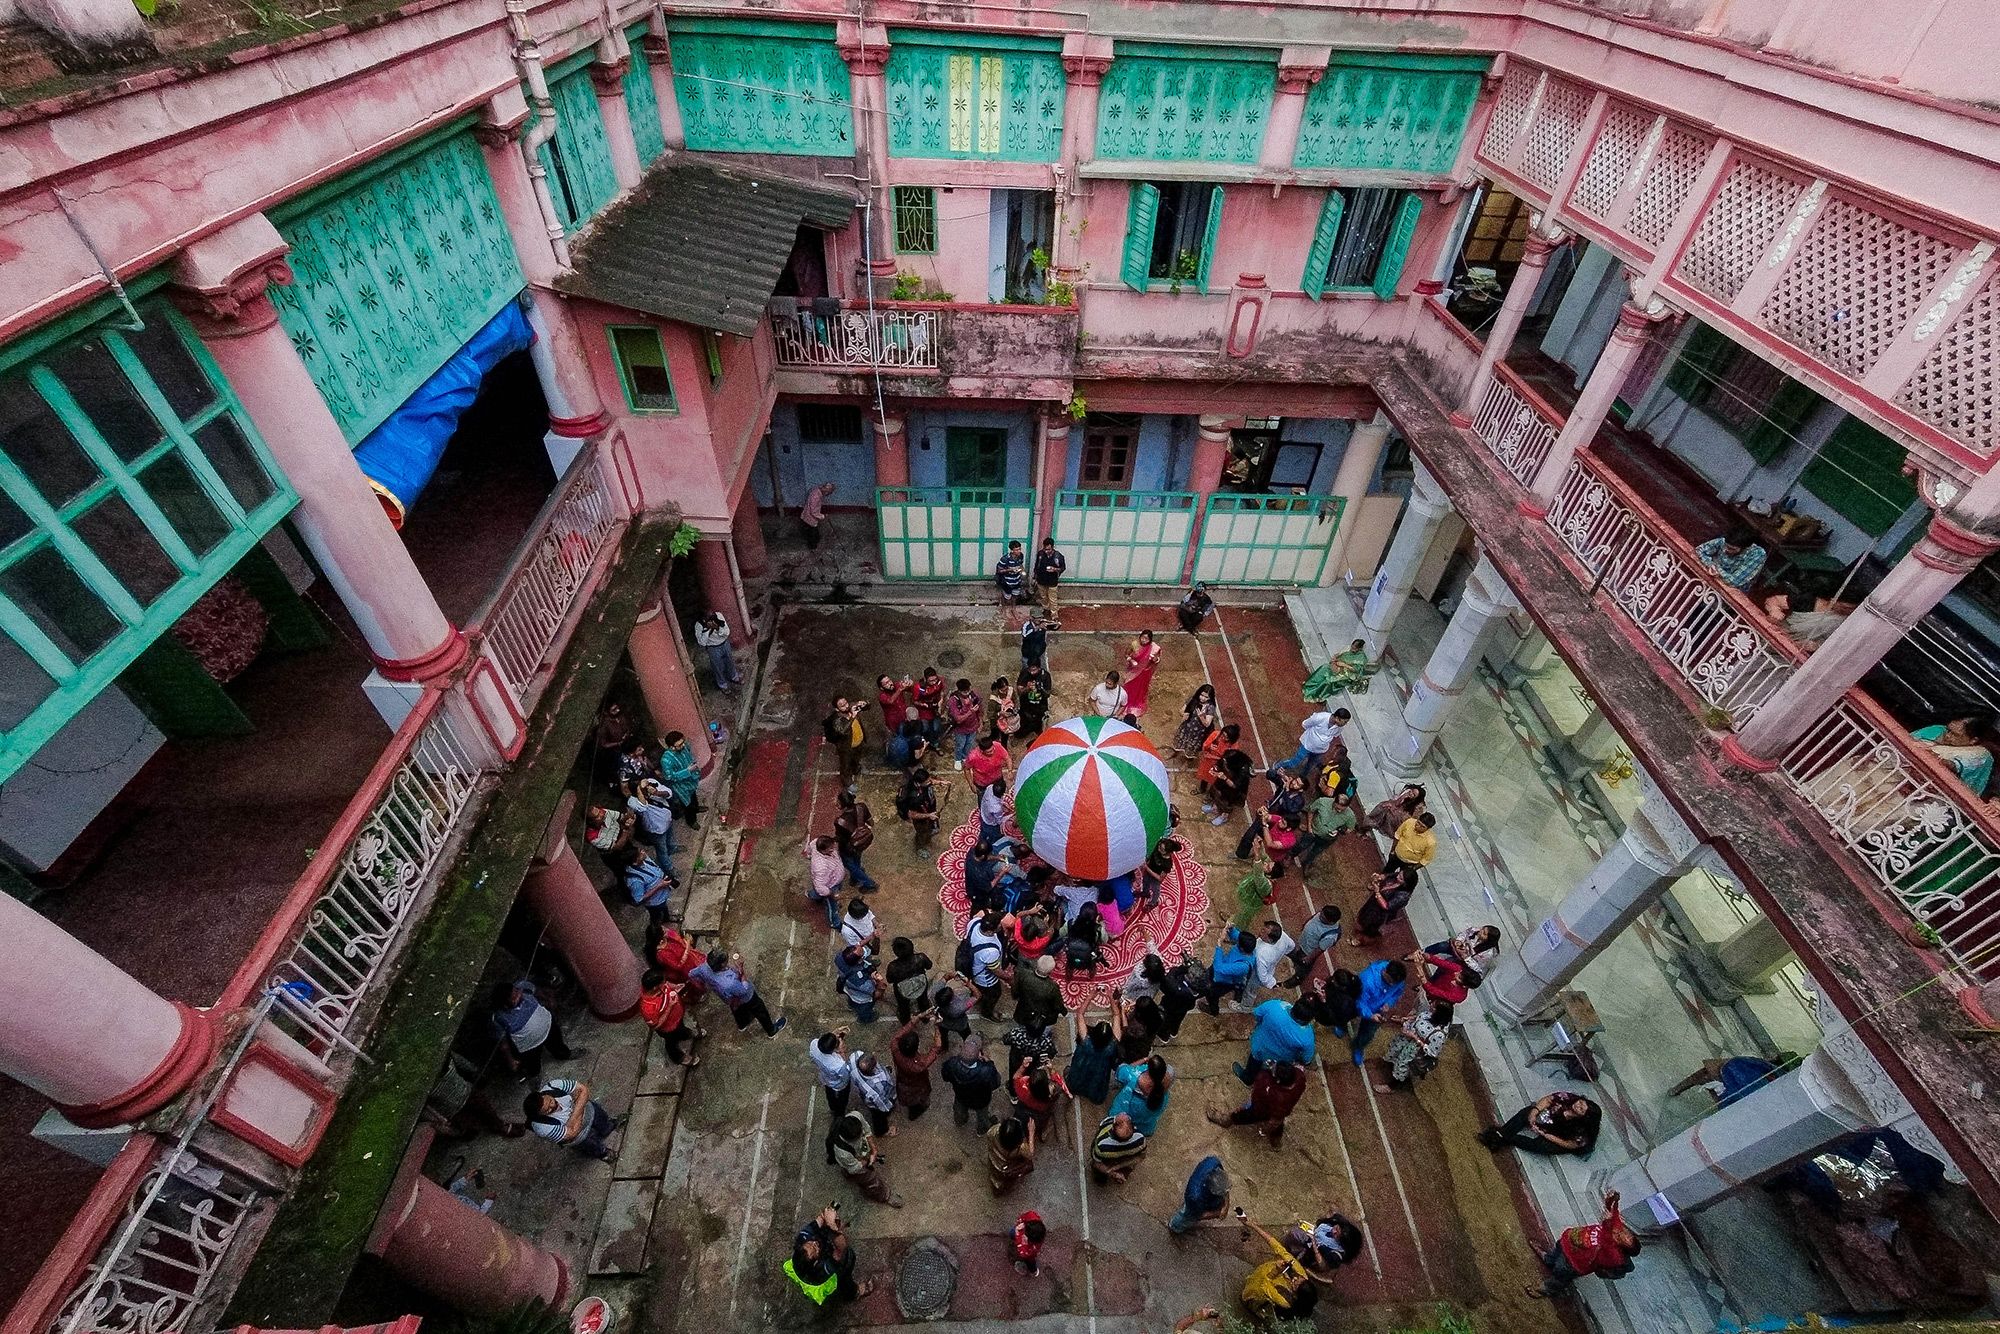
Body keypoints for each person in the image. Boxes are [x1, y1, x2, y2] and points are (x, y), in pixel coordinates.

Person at [1532, 1191, 1639, 1299]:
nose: (1627, 1234)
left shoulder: (1615, 1256)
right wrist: (1614, 1200)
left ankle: (1546, 1289)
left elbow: (1606, 1240)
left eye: (1628, 1240)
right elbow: (1613, 1212)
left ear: (1624, 1248)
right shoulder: (1618, 1230)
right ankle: (1548, 1260)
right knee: (1556, 1253)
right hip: (1568, 1242)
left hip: (1574, 1262)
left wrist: (1607, 1221)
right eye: (1630, 1236)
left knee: (1561, 1275)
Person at [1237, 1215, 1319, 1324]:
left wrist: (1277, 1270)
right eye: (1299, 1278)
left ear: (1295, 1295)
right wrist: (1253, 1225)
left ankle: (1251, 1306)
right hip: (1263, 1273)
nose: (1294, 1278)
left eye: (1295, 1283)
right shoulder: (1300, 1274)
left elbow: (1264, 1284)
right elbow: (1279, 1249)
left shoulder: (1285, 1301)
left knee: (1248, 1295)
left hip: (1258, 1288)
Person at [1207, 1060, 1306, 1149]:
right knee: (1278, 1123)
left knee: (1245, 1115)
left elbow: (1257, 1098)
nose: (1272, 1066)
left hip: (1263, 1109)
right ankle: (1276, 1142)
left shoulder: (1269, 1089)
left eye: (1274, 1070)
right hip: (1282, 1111)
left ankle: (1226, 1120)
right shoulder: (1300, 1078)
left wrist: (1245, 1107)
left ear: (1278, 1081)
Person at [785, 1205, 870, 1306]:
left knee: (823, 1231)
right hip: (819, 1278)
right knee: (846, 1265)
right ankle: (854, 1292)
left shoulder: (802, 1239)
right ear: (816, 1261)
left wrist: (827, 1212)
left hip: (804, 1268)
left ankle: (834, 1230)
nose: (814, 1243)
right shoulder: (822, 1269)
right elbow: (841, 1250)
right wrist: (832, 1226)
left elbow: (818, 1221)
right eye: (815, 1249)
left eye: (810, 1243)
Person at [490, 979, 576, 1078]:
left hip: (549, 1026)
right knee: (532, 1064)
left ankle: (565, 1054)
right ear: (505, 1005)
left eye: (517, 991)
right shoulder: (498, 1018)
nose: (520, 995)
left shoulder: (524, 987)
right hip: (529, 1046)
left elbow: (539, 992)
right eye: (515, 997)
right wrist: (511, 1061)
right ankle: (534, 1076)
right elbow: (503, 1044)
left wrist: (549, 1001)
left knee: (557, 1044)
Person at [691, 949, 786, 1036]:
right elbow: (744, 989)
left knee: (737, 1010)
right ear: (722, 965)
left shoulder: (704, 968)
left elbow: (691, 974)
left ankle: (743, 1025)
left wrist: (704, 982)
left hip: (729, 999)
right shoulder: (730, 983)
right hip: (746, 997)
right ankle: (771, 1030)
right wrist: (741, 970)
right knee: (760, 1010)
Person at [523, 1077, 622, 1159]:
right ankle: (603, 1153)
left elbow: (584, 1090)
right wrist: (579, 1103)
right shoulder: (541, 1127)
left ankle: (607, 1127)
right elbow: (572, 1133)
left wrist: (573, 1118)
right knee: (588, 1143)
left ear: (544, 1095)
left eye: (550, 1101)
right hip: (579, 1135)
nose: (552, 1106)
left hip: (583, 1114)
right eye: (547, 1110)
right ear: (539, 1114)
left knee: (599, 1115)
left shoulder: (552, 1086)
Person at [1481, 1090, 1602, 1156]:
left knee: (1540, 1146)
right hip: (1549, 1120)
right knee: (1527, 1112)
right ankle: (1500, 1135)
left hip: (1560, 1137)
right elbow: (1548, 1099)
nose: (1578, 1106)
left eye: (1581, 1109)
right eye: (1581, 1103)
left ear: (1584, 1116)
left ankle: (1503, 1137)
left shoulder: (1583, 1132)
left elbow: (1570, 1144)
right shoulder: (1569, 1098)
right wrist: (1535, 1111)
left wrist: (1548, 1136)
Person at [1379, 999, 1454, 1092]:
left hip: (1413, 1050)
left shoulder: (1439, 1034)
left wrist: (1415, 1037)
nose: (1430, 1005)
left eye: (1433, 1006)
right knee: (1395, 1052)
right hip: (1405, 1040)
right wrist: (1406, 1022)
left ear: (1438, 1013)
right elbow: (1417, 1019)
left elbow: (1432, 1052)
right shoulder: (1429, 1014)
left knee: (1402, 1065)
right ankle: (1391, 1065)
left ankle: (1392, 1086)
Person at [831, 1110, 902, 1206]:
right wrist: (867, 1162)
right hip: (852, 1162)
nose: (861, 1135)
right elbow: (855, 1168)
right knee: (870, 1179)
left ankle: (846, 1171)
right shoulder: (842, 1152)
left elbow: (867, 1131)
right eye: (858, 1137)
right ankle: (885, 1195)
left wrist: (874, 1149)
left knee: (847, 1168)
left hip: (853, 1156)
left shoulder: (856, 1116)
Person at [1913, 714, 1996, 795]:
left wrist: (1933, 756)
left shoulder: (1981, 754)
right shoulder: (1938, 730)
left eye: (1955, 735)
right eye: (1949, 730)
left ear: (1973, 740)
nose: (1948, 736)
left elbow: (1952, 765)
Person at [1350, 958, 1407, 1067]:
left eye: (1393, 983)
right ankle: (1342, 1025)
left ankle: (1358, 1046)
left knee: (1369, 1034)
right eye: (1390, 982)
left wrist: (1388, 1003)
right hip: (1362, 1005)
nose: (1391, 985)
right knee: (1348, 1013)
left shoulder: (1397, 980)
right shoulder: (1367, 980)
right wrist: (1370, 1015)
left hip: (1378, 1010)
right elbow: (1360, 1002)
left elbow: (1397, 993)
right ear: (1384, 971)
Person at [638, 967, 700, 1067]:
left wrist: (675, 986)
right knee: (671, 1043)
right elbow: (655, 1026)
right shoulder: (648, 1008)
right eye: (663, 982)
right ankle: (679, 1057)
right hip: (668, 1028)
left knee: (681, 1029)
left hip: (677, 1019)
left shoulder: (658, 986)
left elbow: (666, 985)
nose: (665, 983)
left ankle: (686, 1034)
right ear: (655, 987)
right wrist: (670, 1006)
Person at [942, 1033, 1003, 1131]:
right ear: (979, 1054)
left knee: (959, 1109)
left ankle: (960, 1121)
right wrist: (989, 1062)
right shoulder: (986, 1070)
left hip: (960, 1096)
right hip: (980, 1101)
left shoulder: (951, 1063)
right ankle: (982, 1129)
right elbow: (996, 1083)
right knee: (982, 1115)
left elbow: (945, 1077)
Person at [1244, 997, 1317, 1077]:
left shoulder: (1275, 1006)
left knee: (1254, 1062)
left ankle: (1248, 1078)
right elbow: (1306, 1059)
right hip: (1280, 1062)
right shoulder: (1308, 1037)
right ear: (1310, 1018)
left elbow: (1257, 1013)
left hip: (1259, 1047)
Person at [1762, 587, 1855, 650]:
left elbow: (1827, 645)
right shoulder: (1810, 601)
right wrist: (1775, 610)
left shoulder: (1845, 624)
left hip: (1787, 655)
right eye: (1845, 605)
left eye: (1851, 608)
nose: (1846, 608)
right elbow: (1773, 600)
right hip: (1769, 636)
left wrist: (1813, 646)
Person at [891, 1011, 944, 1120]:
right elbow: (937, 1047)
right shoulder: (918, 1065)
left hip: (902, 1081)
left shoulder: (895, 1046)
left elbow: (904, 1029)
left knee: (911, 1100)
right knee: (917, 1099)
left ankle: (913, 1111)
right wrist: (937, 1026)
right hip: (916, 1085)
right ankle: (914, 1113)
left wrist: (919, 1017)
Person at [1108, 1054, 1172, 1136]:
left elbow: (1122, 1070)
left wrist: (1144, 1059)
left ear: (1149, 1069)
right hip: (1146, 1120)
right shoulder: (1164, 1087)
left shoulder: (1134, 1076)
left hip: (1130, 1105)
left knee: (1119, 1115)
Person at [1296, 790, 1357, 873]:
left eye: (1342, 810)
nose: (1339, 811)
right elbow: (1311, 812)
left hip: (1327, 839)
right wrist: (1309, 828)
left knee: (1316, 851)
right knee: (1302, 845)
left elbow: (1350, 829)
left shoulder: (1350, 815)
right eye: (1337, 808)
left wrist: (1342, 831)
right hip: (1313, 831)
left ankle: (1307, 863)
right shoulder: (1322, 802)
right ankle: (1291, 855)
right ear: (1334, 800)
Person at [1067, 1011, 1120, 1103]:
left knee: (1077, 1077)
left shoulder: (1085, 1041)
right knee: (1096, 1082)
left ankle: (1075, 1088)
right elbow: (1116, 1015)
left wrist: (1090, 996)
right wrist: (1112, 1000)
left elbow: (1080, 1013)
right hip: (1099, 1072)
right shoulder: (1111, 1047)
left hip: (1082, 1068)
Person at [964, 909, 1008, 1018]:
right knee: (994, 994)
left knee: (976, 987)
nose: (1000, 925)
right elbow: (996, 970)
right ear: (990, 931)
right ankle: (987, 1013)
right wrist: (1008, 978)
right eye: (998, 924)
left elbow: (976, 915)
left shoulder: (974, 923)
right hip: (985, 979)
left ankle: (975, 995)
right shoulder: (990, 951)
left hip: (972, 967)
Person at [1355, 865, 1416, 944]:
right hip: (1374, 904)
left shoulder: (1403, 896)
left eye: (1401, 878)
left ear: (1406, 883)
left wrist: (1377, 892)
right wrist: (1380, 877)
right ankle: (1362, 928)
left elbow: (1387, 906)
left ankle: (1363, 940)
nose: (1397, 877)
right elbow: (1390, 875)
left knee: (1371, 926)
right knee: (1364, 916)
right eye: (1399, 874)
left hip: (1380, 914)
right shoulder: (1398, 876)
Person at [1170, 1155, 1231, 1234]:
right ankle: (1175, 1227)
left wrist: (1226, 1204)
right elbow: (1200, 1215)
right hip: (1194, 1203)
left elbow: (1225, 1190)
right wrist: (1218, 1213)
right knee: (1188, 1216)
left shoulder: (1214, 1162)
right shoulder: (1195, 1197)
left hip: (1202, 1196)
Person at [626, 776, 678, 868]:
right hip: (656, 829)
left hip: (667, 819)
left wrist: (657, 793)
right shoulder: (632, 801)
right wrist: (641, 789)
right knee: (662, 850)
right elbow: (643, 807)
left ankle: (672, 848)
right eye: (644, 787)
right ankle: (669, 868)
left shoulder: (650, 782)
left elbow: (669, 793)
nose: (648, 787)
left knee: (670, 838)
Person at [832, 789, 879, 891]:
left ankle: (869, 883)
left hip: (848, 847)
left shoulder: (840, 822)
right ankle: (855, 878)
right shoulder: (861, 807)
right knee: (856, 858)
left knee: (849, 865)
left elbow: (841, 838)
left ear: (841, 804)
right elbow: (871, 823)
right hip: (861, 843)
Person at [1286, 904, 1342, 988]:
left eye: (1323, 918)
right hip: (1303, 943)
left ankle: (1298, 979)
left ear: (1331, 921)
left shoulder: (1330, 936)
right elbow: (1313, 917)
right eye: (1321, 914)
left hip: (1308, 951)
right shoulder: (1322, 914)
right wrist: (1305, 924)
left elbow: (1320, 949)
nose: (1320, 916)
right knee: (1298, 955)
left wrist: (1308, 958)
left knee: (1304, 967)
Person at [1203, 927, 1256, 1013]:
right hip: (1223, 967)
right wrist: (1231, 929)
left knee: (1212, 994)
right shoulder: (1247, 946)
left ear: (1241, 948)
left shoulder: (1242, 966)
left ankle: (1213, 1010)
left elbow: (1219, 969)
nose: (1236, 941)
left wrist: (1219, 946)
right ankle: (1238, 991)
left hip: (1224, 981)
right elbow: (1237, 936)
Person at [1281, 707, 1347, 776]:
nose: (1345, 724)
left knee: (1309, 766)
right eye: (1345, 721)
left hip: (1320, 750)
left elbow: (1334, 735)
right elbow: (1305, 724)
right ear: (1337, 718)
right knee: (1294, 762)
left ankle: (1301, 778)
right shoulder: (1320, 717)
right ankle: (1279, 766)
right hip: (1307, 745)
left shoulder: (1340, 728)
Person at [1695, 526, 1767, 590]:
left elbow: (1734, 581)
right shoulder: (1724, 540)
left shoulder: (1757, 554)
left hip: (1732, 591)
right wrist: (1710, 564)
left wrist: (1716, 569)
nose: (1726, 549)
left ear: (1745, 548)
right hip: (1709, 581)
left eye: (1731, 549)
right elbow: (1699, 550)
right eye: (1726, 546)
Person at [822, 695, 868, 792]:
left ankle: (856, 768)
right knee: (845, 765)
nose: (846, 706)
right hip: (846, 747)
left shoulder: (851, 707)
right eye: (842, 705)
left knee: (857, 758)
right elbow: (842, 731)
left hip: (858, 742)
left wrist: (864, 703)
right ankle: (848, 782)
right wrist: (852, 718)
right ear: (837, 709)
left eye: (846, 703)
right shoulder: (837, 720)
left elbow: (868, 706)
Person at [1303, 638, 1372, 702]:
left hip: (1348, 673)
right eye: (1352, 646)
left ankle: (1316, 695)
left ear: (1360, 649)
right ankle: (1309, 686)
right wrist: (1334, 658)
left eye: (1354, 648)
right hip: (1337, 665)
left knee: (1329, 680)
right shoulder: (1348, 648)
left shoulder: (1362, 658)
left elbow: (1356, 670)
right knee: (1324, 668)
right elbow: (1338, 654)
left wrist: (1344, 665)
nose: (1352, 649)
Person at [1012, 952, 1067, 1031]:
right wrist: (1063, 1011)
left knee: (1022, 1027)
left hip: (1023, 1011)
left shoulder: (1023, 974)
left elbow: (1015, 989)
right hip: (1042, 1018)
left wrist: (1016, 996)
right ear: (1050, 971)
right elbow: (1057, 1004)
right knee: (1042, 1032)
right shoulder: (1052, 987)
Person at [850, 1048, 898, 1137]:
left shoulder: (855, 1057)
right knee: (879, 1117)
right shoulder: (877, 1088)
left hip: (864, 1095)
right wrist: (890, 1105)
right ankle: (882, 1131)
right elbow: (883, 1106)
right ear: (873, 1068)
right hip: (876, 1104)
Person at [658, 731, 702, 827]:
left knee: (694, 796)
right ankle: (692, 821)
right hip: (681, 786)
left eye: (683, 742)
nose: (683, 746)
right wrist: (687, 770)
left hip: (691, 780)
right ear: (671, 747)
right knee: (687, 804)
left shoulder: (684, 747)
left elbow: (689, 754)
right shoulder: (666, 760)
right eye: (679, 745)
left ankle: (697, 808)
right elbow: (669, 776)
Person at [885, 937, 934, 1023]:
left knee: (903, 1006)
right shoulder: (920, 958)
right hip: (920, 984)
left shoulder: (893, 967)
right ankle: (925, 1018)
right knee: (923, 1001)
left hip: (903, 990)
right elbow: (929, 966)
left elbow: (890, 980)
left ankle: (906, 1022)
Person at [986, 1113, 1038, 1193]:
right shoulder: (1021, 1148)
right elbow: (1030, 1154)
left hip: (994, 1160)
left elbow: (989, 1134)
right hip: (1007, 1167)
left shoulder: (994, 1131)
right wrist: (1031, 1133)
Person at [1090, 1112, 1149, 1183]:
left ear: (1112, 1129)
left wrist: (1113, 1173)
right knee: (1124, 1174)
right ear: (1133, 1128)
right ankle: (1120, 1179)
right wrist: (1119, 1166)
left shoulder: (1101, 1146)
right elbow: (1141, 1157)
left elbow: (1097, 1163)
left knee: (1098, 1173)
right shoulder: (1141, 1140)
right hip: (1125, 1162)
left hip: (1107, 1162)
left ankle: (1101, 1181)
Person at [1208, 737, 1255, 827]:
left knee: (1227, 801)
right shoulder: (1228, 756)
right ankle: (1215, 807)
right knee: (1217, 792)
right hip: (1222, 782)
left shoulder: (1242, 771)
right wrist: (1216, 769)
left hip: (1233, 790)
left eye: (1226, 762)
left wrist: (1225, 778)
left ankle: (1224, 816)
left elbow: (1235, 786)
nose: (1224, 761)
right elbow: (1220, 763)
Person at [835, 942, 884, 1024]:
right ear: (860, 960)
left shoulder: (839, 957)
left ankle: (851, 1005)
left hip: (847, 987)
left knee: (851, 998)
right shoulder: (863, 983)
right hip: (861, 998)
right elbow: (876, 994)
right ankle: (864, 1019)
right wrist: (880, 981)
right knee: (864, 1009)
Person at [694, 612, 742, 692]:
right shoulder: (699, 625)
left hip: (725, 643)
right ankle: (723, 685)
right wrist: (708, 630)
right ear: (704, 619)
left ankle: (734, 676)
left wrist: (717, 627)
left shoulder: (719, 616)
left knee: (729, 661)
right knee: (717, 667)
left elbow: (727, 633)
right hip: (713, 648)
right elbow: (702, 643)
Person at [805, 835, 844, 928]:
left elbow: (811, 846)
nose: (833, 849)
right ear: (823, 850)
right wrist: (832, 894)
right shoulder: (820, 867)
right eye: (830, 848)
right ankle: (834, 923)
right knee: (832, 905)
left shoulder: (816, 843)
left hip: (835, 880)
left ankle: (811, 894)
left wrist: (809, 854)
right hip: (830, 886)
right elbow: (820, 887)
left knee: (817, 893)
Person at [1249, 919, 1296, 995]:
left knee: (1250, 991)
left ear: (1270, 939)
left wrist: (1271, 983)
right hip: (1269, 968)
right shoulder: (1282, 936)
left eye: (1264, 932)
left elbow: (1263, 978)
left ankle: (1245, 1006)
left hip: (1255, 973)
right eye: (1263, 929)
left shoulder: (1261, 954)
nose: (1261, 931)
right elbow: (1292, 945)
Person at [1123, 629, 1163, 717]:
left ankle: (1136, 704)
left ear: (1150, 640)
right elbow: (1126, 654)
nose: (1144, 640)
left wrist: (1155, 659)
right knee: (1129, 686)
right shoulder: (1134, 644)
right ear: (1140, 637)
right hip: (1133, 671)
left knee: (1141, 689)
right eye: (1143, 638)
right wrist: (1131, 660)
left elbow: (1157, 660)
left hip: (1144, 673)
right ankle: (1126, 703)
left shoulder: (1154, 648)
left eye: (1146, 639)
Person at [1173, 684, 1219, 760]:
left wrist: (1201, 717)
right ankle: (1177, 752)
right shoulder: (1193, 699)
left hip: (1198, 733)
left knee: (1191, 747)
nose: (1203, 698)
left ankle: (1188, 759)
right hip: (1186, 727)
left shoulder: (1210, 707)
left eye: (1206, 697)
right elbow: (1182, 710)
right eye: (1202, 695)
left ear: (1210, 697)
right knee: (1181, 741)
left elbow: (1207, 724)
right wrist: (1184, 714)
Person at [945, 678, 983, 768]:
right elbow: (958, 719)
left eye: (968, 691)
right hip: (960, 729)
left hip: (972, 726)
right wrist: (970, 712)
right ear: (959, 690)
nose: (967, 693)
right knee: (960, 745)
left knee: (969, 744)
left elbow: (980, 710)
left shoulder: (974, 696)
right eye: (964, 692)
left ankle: (965, 757)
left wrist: (980, 722)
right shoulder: (953, 701)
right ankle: (958, 759)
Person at [1386, 810, 1438, 875]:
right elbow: (1397, 835)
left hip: (1409, 864)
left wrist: (1413, 869)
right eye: (1418, 823)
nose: (1418, 826)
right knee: (1386, 872)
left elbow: (1426, 859)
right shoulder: (1409, 822)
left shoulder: (1430, 842)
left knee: (1400, 881)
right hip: (1396, 856)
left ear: (1428, 829)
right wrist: (1392, 851)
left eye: (1422, 827)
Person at [1197, 722, 1237, 796]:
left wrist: (1214, 757)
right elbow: (1205, 746)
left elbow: (1227, 759)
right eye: (1223, 735)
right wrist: (1209, 747)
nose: (1223, 738)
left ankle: (1210, 796)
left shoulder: (1233, 746)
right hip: (1208, 763)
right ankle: (1202, 789)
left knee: (1216, 781)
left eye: (1227, 737)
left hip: (1220, 766)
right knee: (1205, 776)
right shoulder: (1216, 735)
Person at [1231, 864, 1274, 932]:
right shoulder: (1263, 878)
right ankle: (1234, 923)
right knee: (1240, 915)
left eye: (1268, 867)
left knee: (1242, 920)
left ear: (1270, 875)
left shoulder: (1263, 883)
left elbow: (1257, 869)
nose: (1265, 864)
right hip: (1248, 900)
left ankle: (1235, 934)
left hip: (1250, 903)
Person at [968, 728, 1011, 793]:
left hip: (998, 779)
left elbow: (1007, 758)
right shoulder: (973, 757)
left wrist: (1010, 770)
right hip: (982, 784)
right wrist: (971, 784)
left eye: (993, 749)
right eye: (989, 752)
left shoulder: (997, 746)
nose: (992, 752)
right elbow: (966, 769)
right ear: (982, 751)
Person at [1017, 661, 1053, 734]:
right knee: (1020, 731)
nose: (1032, 672)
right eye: (1030, 670)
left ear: (1039, 668)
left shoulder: (1045, 675)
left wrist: (1040, 688)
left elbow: (1047, 694)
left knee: (1038, 725)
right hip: (1026, 705)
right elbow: (1019, 691)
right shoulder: (1025, 673)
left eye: (1034, 670)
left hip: (1039, 706)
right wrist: (1027, 688)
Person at [1033, 538, 1067, 614]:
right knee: (1043, 597)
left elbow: (1063, 568)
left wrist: (1055, 569)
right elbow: (1036, 565)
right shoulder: (1040, 554)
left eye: (1048, 549)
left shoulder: (1058, 556)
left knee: (1053, 599)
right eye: (1045, 549)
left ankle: (1054, 614)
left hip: (1052, 581)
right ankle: (1046, 609)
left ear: (1052, 547)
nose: (1046, 551)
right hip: (1041, 580)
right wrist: (1035, 576)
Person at [798, 479, 835, 550]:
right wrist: (822, 516)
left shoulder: (817, 490)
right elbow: (813, 512)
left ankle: (816, 539)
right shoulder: (816, 497)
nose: (827, 495)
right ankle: (812, 546)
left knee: (813, 529)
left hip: (808, 514)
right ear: (826, 491)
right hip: (810, 516)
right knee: (812, 531)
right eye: (828, 493)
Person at [912, 666, 946, 741]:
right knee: (925, 729)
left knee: (936, 728)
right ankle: (926, 741)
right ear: (925, 679)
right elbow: (914, 701)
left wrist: (941, 701)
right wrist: (923, 704)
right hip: (924, 711)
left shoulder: (939, 681)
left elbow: (942, 691)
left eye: (935, 679)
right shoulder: (919, 688)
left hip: (935, 709)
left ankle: (935, 741)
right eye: (931, 681)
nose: (934, 682)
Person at [1012, 1212, 1049, 1277]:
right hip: (1020, 1230)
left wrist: (1017, 1233)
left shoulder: (1032, 1248)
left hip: (1028, 1254)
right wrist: (1021, 1223)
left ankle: (1034, 1271)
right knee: (1012, 1233)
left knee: (1030, 1261)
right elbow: (1024, 1216)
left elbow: (1023, 1253)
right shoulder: (1032, 1217)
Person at [987, 678, 1022, 744]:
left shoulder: (1011, 690)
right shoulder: (993, 698)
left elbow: (1016, 701)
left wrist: (1014, 710)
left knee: (1006, 735)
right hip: (996, 720)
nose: (1006, 692)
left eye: (1006, 689)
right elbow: (990, 714)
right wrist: (1000, 713)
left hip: (1009, 719)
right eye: (1003, 690)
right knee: (995, 734)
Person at [996, 539, 1029, 605]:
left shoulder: (1021, 556)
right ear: (1012, 550)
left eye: (1020, 549)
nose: (1019, 551)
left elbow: (1020, 565)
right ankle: (1004, 609)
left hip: (1017, 580)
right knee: (1007, 598)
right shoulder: (1005, 559)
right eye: (1017, 550)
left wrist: (1022, 570)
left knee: (1015, 596)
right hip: (1007, 582)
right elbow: (999, 570)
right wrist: (1010, 570)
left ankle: (1013, 609)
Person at [1020, 609, 1051, 675]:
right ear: (1031, 618)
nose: (1039, 619)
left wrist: (1054, 624)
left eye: (1041, 617)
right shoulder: (1026, 625)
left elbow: (1054, 627)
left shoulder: (1043, 624)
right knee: (1026, 671)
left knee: (1044, 671)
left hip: (1040, 653)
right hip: (1028, 653)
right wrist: (1037, 628)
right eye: (1037, 618)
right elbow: (1025, 636)